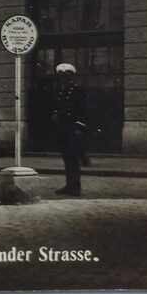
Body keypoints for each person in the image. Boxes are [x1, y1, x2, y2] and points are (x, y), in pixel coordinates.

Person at [52, 62, 89, 196]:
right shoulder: (60, 90)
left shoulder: (77, 90)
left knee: (73, 158)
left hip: (73, 128)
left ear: (71, 76)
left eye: (66, 76)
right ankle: (69, 185)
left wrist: (79, 126)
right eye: (60, 76)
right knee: (67, 157)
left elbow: (84, 110)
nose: (63, 78)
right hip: (63, 128)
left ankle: (75, 187)